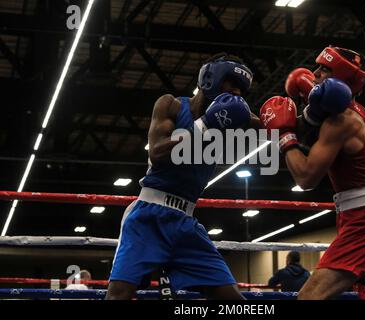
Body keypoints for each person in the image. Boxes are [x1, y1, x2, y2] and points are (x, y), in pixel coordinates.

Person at [106, 53, 260, 300]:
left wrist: (311, 110)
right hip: (148, 215)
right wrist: (205, 126)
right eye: (232, 84)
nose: (237, 94)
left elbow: (279, 126)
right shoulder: (171, 105)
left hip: (186, 223)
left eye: (242, 89)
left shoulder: (236, 116)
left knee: (232, 300)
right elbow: (157, 152)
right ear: (210, 78)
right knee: (119, 295)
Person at [260, 46, 365, 300]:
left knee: (309, 297)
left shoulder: (342, 121)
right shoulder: (350, 111)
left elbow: (305, 178)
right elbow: (297, 123)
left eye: (323, 69)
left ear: (340, 80)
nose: (314, 73)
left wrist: (283, 137)